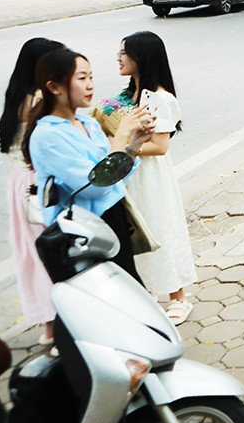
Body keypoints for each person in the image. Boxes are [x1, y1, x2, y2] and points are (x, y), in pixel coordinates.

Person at [24, 48, 155, 282]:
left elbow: (116, 179)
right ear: (54, 87)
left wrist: (134, 146)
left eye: (91, 77)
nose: (90, 85)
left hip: (113, 224)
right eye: (81, 78)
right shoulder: (47, 136)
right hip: (84, 237)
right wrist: (121, 136)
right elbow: (96, 185)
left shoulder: (88, 124)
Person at [116, 32, 197, 324]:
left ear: (142, 58)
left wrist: (123, 146)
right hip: (128, 176)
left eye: (125, 53)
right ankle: (147, 291)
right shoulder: (128, 96)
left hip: (151, 177)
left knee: (161, 230)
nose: (119, 58)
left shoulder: (161, 98)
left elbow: (160, 146)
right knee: (136, 234)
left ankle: (178, 297)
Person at [1, 38, 65, 345]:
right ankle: (55, 325)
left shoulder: (17, 94)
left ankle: (49, 323)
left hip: (19, 182)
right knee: (50, 248)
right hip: (36, 184)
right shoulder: (39, 98)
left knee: (32, 252)